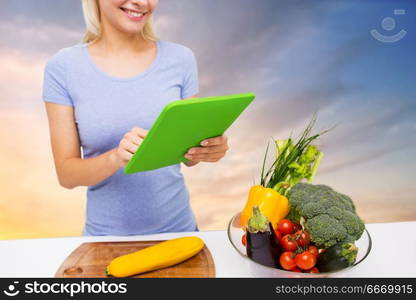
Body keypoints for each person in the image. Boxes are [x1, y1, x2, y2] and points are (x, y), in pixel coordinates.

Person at [42, 0, 229, 236]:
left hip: (179, 234)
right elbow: (66, 175)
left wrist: (208, 148)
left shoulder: (180, 59)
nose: (142, 2)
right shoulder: (64, 67)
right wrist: (116, 158)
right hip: (103, 241)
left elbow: (187, 155)